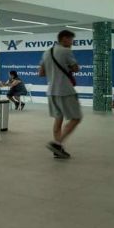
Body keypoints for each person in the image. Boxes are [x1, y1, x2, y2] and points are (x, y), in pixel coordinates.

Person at [40, 30, 82, 159]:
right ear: (64, 39)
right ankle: (57, 144)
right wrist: (69, 68)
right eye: (71, 40)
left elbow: (41, 73)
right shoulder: (65, 51)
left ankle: (58, 151)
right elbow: (76, 68)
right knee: (76, 118)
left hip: (51, 91)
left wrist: (54, 72)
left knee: (58, 119)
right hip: (64, 90)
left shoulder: (47, 52)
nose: (72, 43)